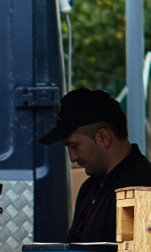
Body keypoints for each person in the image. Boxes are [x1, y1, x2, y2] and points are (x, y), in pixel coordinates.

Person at [41, 88, 151, 243]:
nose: (72, 157)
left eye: (74, 146)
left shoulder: (141, 188)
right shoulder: (90, 187)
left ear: (103, 137)